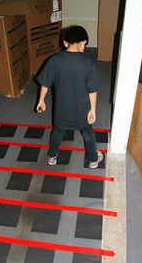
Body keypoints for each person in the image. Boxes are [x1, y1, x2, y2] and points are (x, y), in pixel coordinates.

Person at [36, 25, 103, 169]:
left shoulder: (54, 60)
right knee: (87, 133)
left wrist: (41, 100)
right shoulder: (88, 62)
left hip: (62, 108)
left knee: (57, 132)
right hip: (82, 109)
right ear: (84, 42)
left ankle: (52, 156)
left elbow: (45, 83)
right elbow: (92, 90)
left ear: (65, 43)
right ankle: (93, 160)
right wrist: (93, 109)